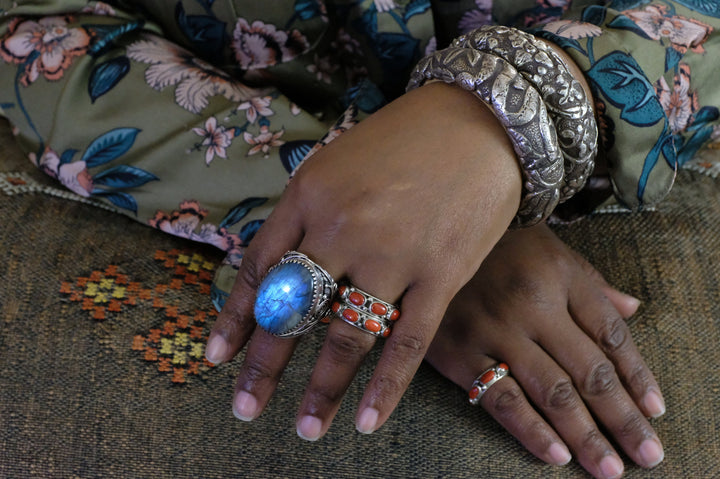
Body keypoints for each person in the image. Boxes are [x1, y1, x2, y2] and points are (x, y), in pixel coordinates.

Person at [1, 1, 718, 478]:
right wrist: (387, 213)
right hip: (192, 159)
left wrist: (500, 128)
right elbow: (28, 25)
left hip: (639, 166)